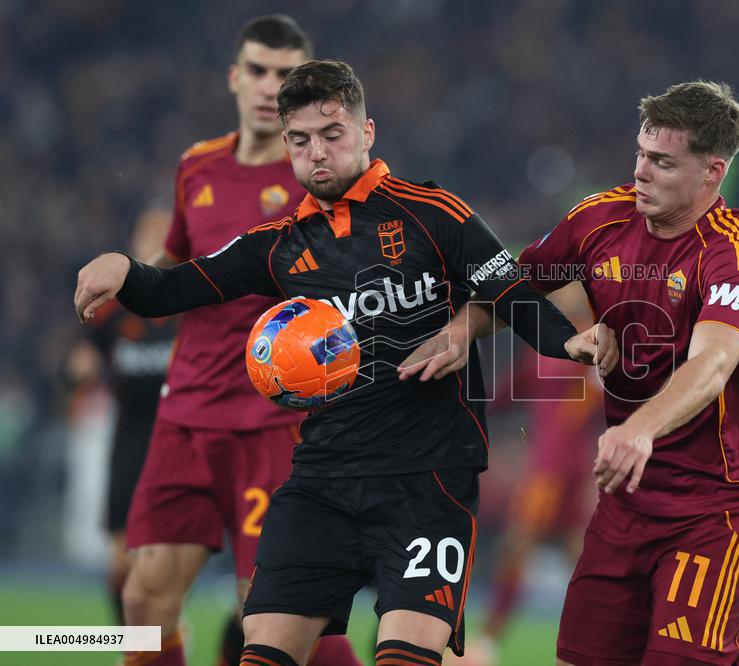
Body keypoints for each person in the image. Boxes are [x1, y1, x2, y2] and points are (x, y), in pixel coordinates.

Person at [75, 59, 617, 666]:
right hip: (320, 485)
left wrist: (568, 343)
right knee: (263, 655)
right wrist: (126, 271)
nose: (319, 153)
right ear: (287, 147)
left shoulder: (435, 214)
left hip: (428, 482)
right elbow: (173, 289)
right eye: (302, 141)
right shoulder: (277, 245)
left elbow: (510, 292)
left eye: (333, 135)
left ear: (367, 133)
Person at [403, 80, 739, 666]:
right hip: (624, 501)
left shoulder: (736, 250)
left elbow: (715, 361)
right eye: (640, 154)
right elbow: (513, 286)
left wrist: (639, 428)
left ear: (713, 171)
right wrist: (456, 333)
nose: (642, 173)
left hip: (713, 508)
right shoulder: (601, 219)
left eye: (662, 162)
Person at [105, 17, 357, 666]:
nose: (270, 87)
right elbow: (177, 262)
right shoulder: (197, 165)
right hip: (185, 413)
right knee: (143, 599)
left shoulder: (320, 181)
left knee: (272, 614)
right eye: (259, 71)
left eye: (286, 75)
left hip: (272, 424)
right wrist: (129, 279)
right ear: (235, 77)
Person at [455, 283, 603, 666]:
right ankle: (611, 640)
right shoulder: (549, 345)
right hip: (559, 470)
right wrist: (467, 414)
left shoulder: (596, 346)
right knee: (581, 561)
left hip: (555, 472)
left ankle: (487, 642)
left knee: (523, 549)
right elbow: (505, 396)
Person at [64, 208, 176, 627]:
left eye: (163, 233)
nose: (155, 240)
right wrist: (79, 366)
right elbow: (80, 356)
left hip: (184, 439)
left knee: (171, 560)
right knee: (122, 555)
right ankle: (131, 641)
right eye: (148, 232)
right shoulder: (115, 308)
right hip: (129, 440)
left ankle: (165, 636)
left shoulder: (192, 303)